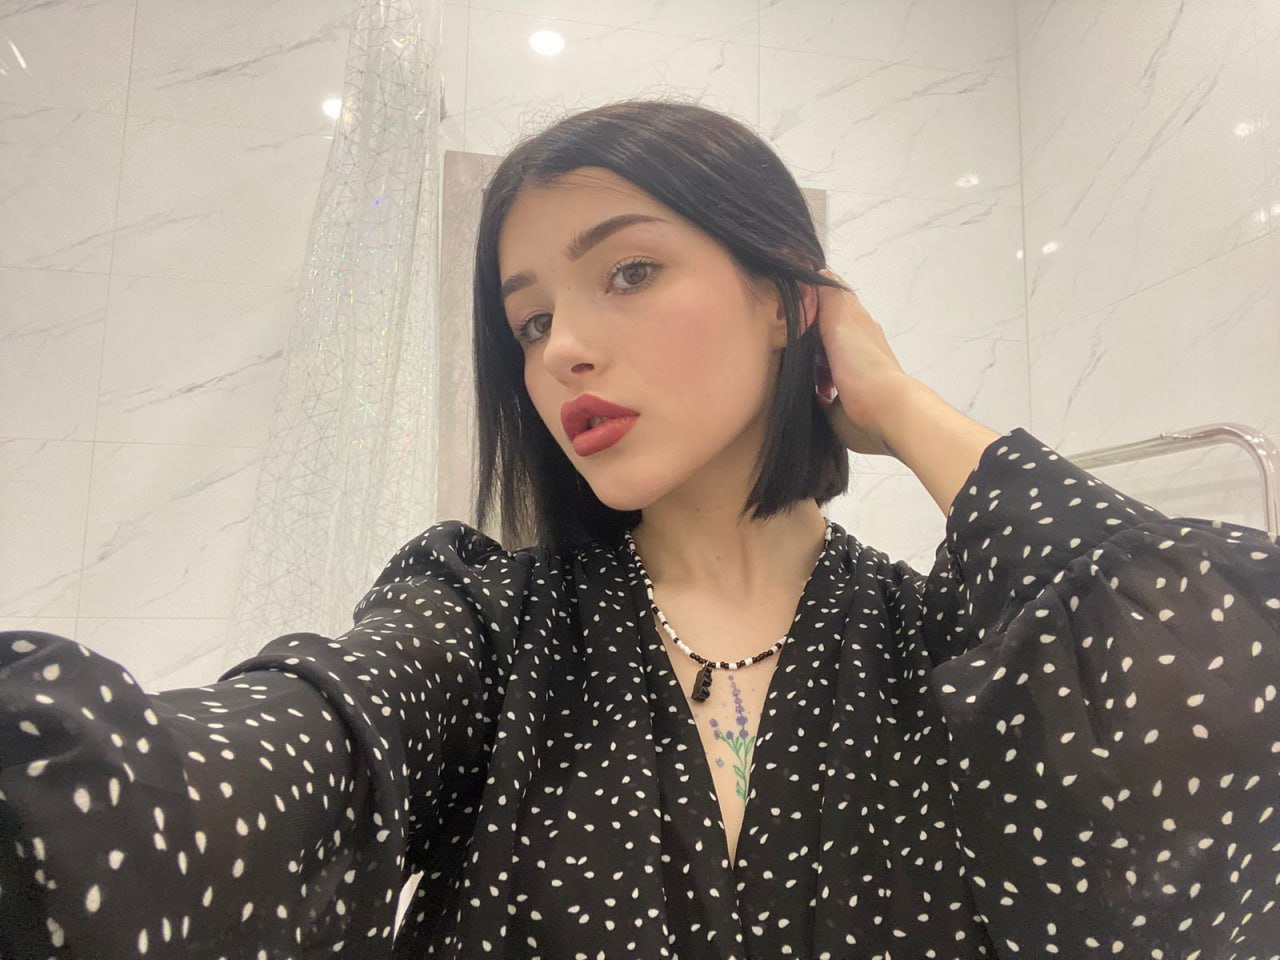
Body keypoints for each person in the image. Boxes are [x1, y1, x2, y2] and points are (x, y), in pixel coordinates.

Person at [2, 98, 1278, 960]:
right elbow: (239, 784)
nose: (563, 347)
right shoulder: (483, 629)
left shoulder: (946, 653)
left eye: (626, 271)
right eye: (529, 320)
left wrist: (897, 401)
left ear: (784, 301)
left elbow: (1229, 668)